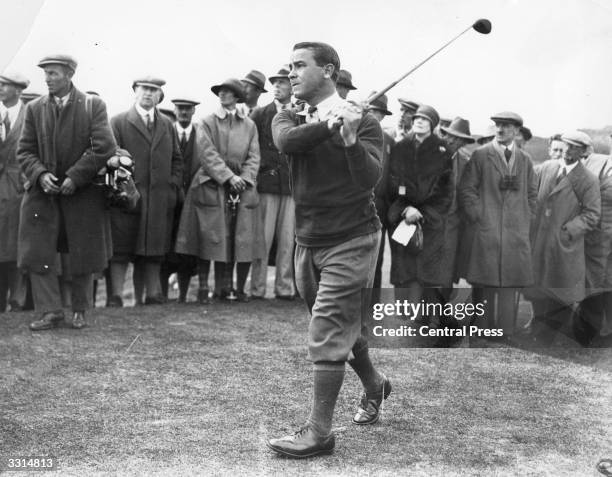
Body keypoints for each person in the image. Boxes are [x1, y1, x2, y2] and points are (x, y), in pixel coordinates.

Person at [268, 42, 389, 458]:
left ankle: (319, 433)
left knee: (327, 328)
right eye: (290, 66)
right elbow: (287, 142)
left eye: (300, 66)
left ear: (329, 71)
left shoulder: (366, 122)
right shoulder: (287, 114)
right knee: (339, 325)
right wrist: (328, 125)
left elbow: (368, 179)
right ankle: (375, 384)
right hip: (308, 240)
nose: (291, 73)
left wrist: (351, 138)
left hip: (353, 237)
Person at [18, 54, 116, 330]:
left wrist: (76, 176)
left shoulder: (92, 105)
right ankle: (50, 311)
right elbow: (24, 150)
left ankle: (80, 309)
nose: (47, 79)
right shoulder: (34, 108)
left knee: (81, 252)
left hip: (81, 194)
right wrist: (40, 175)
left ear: (69, 75)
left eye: (53, 74)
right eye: (46, 74)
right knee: (38, 251)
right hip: (43, 194)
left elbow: (104, 146)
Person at [175, 78, 260, 302]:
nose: (223, 95)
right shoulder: (207, 122)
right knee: (209, 236)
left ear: (237, 97)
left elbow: (254, 156)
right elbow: (206, 153)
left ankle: (226, 288)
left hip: (240, 188)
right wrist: (228, 177)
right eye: (220, 91)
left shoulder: (249, 125)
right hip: (210, 184)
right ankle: (203, 288)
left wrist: (243, 178)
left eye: (228, 92)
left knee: (235, 236)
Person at [459, 111, 537, 341]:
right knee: (483, 282)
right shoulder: (481, 155)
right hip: (487, 230)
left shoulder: (525, 160)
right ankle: (482, 329)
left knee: (509, 282)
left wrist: (525, 218)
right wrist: (480, 215)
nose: (500, 130)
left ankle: (505, 331)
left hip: (515, 233)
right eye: (497, 125)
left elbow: (533, 193)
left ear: (516, 131)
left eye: (506, 126)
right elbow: (467, 190)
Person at [109, 77, 183, 306]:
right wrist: (121, 188)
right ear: (135, 91)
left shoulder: (167, 125)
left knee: (153, 249)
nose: (149, 94)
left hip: (159, 199)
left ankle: (153, 294)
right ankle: (116, 296)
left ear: (159, 95)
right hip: (127, 198)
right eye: (145, 89)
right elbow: (110, 157)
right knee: (121, 248)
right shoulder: (119, 121)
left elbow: (177, 160)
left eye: (154, 90)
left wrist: (171, 187)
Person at [385, 105, 453, 333]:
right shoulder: (400, 147)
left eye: (425, 119)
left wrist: (422, 210)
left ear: (433, 125)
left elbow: (445, 189)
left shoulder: (443, 149)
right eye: (418, 118)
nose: (420, 122)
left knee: (429, 268)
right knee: (405, 265)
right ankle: (407, 316)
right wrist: (406, 209)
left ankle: (427, 317)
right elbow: (393, 181)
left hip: (429, 219)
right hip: (403, 215)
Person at [528, 131, 600, 345]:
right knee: (537, 288)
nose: (568, 150)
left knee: (559, 291)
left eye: (575, 147)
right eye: (566, 145)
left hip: (564, 246)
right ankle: (538, 327)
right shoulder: (546, 168)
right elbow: (529, 189)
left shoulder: (588, 179)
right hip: (539, 241)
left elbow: (592, 214)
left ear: (583, 152)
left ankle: (548, 334)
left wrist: (568, 231)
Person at [250, 67, 296, 300]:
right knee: (263, 239)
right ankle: (257, 288)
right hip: (266, 185)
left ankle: (284, 288)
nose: (277, 87)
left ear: (292, 87)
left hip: (290, 186)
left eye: (283, 83)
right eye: (275, 83)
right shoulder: (260, 114)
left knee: (288, 240)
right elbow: (252, 147)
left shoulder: (300, 114)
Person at [437, 117, 476, 344]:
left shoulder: (465, 161)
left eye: (459, 139)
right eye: (450, 136)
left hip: (453, 229)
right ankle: (437, 320)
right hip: (430, 227)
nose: (453, 141)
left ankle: (441, 318)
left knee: (448, 274)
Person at [159, 97, 200, 303]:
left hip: (192, 201)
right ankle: (163, 295)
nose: (184, 113)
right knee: (165, 248)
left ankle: (183, 295)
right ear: (174, 110)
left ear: (194, 111)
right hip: (168, 201)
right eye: (180, 109)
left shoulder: (201, 134)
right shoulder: (166, 131)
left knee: (187, 251)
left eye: (188, 109)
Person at [574, 144, 612, 346]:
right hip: (595, 238)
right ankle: (588, 331)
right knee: (592, 282)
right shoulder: (595, 161)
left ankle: (607, 332)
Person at [0, 72, 30, 312]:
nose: (0, 89)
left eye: (4, 85)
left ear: (19, 90)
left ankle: (17, 300)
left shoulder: (30, 115)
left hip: (19, 189)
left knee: (18, 245)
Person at [365, 91, 394, 306]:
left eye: (379, 112)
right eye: (372, 110)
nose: (375, 115)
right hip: (355, 200)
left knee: (377, 254)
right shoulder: (354, 131)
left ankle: (372, 301)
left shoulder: (390, 140)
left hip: (380, 204)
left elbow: (394, 174)